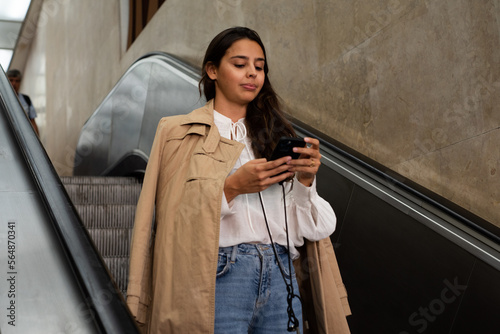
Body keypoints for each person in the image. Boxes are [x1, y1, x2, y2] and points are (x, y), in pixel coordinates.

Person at [127, 27, 351, 334]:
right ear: (212, 70)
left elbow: (312, 228)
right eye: (240, 64)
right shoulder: (177, 132)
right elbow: (171, 223)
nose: (252, 74)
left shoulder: (276, 136)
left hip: (281, 274)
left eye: (259, 67)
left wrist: (306, 181)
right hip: (219, 277)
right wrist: (232, 188)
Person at [7, 69, 39, 136]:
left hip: (24, 136)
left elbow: (32, 121)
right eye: (11, 80)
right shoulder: (3, 100)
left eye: (17, 81)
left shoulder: (26, 99)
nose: (14, 83)